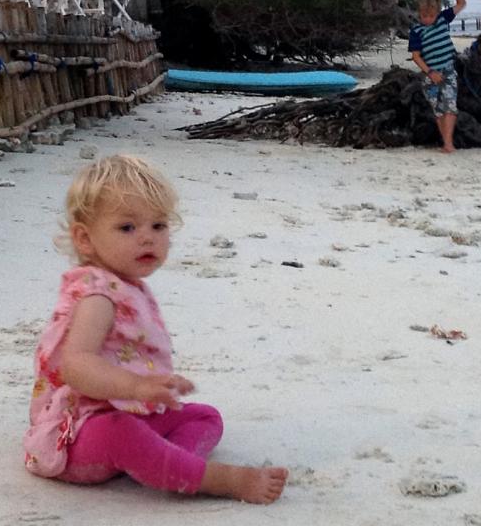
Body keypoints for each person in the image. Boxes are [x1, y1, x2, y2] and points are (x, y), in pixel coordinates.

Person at [23, 154, 288, 504]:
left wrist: (150, 389)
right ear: (85, 239)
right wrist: (135, 386)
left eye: (158, 226)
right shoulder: (97, 294)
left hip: (127, 412)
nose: (147, 238)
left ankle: (164, 462)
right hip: (82, 431)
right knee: (121, 434)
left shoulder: (126, 285)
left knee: (204, 416)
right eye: (127, 228)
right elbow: (77, 364)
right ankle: (216, 478)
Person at [409, 0, 467, 153]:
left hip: (448, 70)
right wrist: (430, 72)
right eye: (423, 16)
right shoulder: (417, 31)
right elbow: (416, 56)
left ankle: (448, 143)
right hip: (430, 75)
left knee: (450, 106)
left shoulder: (443, 19)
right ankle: (445, 141)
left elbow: (461, 3)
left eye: (430, 15)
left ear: (436, 12)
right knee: (438, 110)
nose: (427, 19)